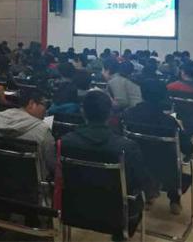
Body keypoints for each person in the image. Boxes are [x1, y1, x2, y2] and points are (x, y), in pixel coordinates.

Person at [62, 90, 148, 239]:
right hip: (118, 215)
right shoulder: (127, 147)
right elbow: (139, 180)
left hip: (74, 210)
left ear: (83, 112)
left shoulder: (65, 141)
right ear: (110, 113)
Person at [123, 80, 192, 214]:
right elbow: (188, 148)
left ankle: (147, 194)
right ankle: (174, 200)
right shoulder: (169, 122)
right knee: (174, 163)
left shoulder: (128, 115)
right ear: (162, 97)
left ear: (142, 93)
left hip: (135, 165)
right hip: (165, 170)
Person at [0, 89, 55, 179]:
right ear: (31, 103)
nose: (46, 110)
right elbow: (52, 165)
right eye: (45, 105)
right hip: (30, 185)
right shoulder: (43, 131)